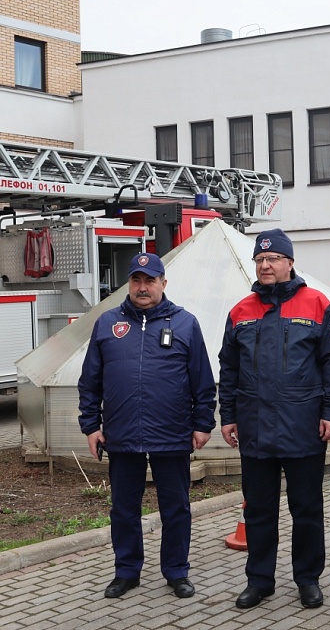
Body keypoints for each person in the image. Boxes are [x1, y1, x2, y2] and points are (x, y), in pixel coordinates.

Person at [218, 228, 330, 610]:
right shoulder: (240, 311)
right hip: (255, 428)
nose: (265, 265)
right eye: (260, 260)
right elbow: (229, 368)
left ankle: (308, 579)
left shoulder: (317, 304)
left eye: (273, 259)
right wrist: (228, 416)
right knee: (258, 511)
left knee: (306, 509)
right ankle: (259, 581)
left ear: (290, 262)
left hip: (303, 427)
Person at [78, 252, 216, 600]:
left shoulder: (185, 323)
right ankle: (126, 572)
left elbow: (202, 380)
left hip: (172, 434)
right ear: (129, 284)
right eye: (137, 281)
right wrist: (91, 425)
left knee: (176, 508)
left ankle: (176, 571)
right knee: (124, 509)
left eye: (150, 281)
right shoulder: (108, 323)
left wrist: (202, 424)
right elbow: (90, 381)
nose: (143, 287)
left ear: (163, 284)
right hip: (121, 435)